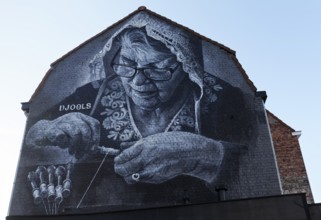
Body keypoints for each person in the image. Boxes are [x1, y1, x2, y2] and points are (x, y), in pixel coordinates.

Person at [23, 19, 252, 213]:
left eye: (157, 68)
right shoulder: (95, 93)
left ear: (186, 66)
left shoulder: (225, 99)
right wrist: (48, 130)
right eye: (128, 64)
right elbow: (33, 130)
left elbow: (253, 166)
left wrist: (203, 154)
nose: (138, 81)